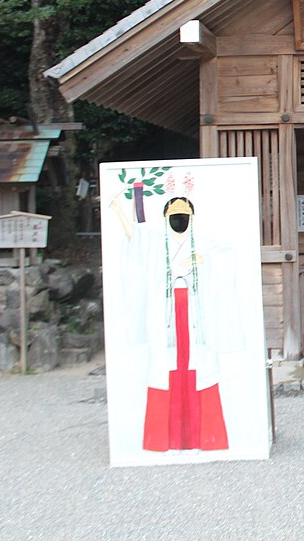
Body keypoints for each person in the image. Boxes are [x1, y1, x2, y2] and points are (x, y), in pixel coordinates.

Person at [113, 188, 244, 452]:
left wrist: (203, 259)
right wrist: (119, 209)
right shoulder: (155, 241)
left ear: (192, 217)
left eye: (184, 215)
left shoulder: (203, 242)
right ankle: (164, 439)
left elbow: (226, 256)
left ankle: (205, 438)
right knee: (166, 369)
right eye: (174, 215)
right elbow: (134, 240)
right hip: (167, 314)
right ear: (165, 218)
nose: (179, 220)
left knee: (200, 368)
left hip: (196, 313)